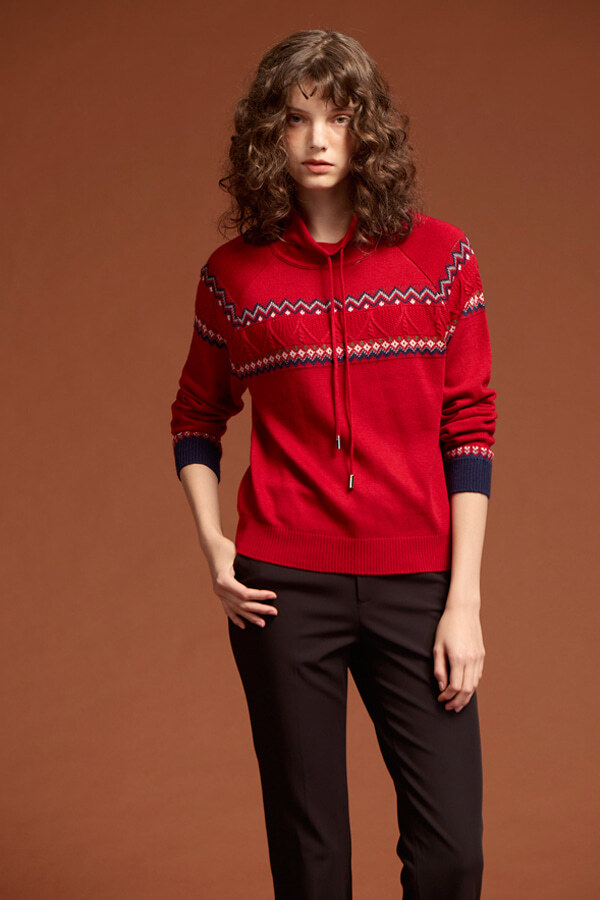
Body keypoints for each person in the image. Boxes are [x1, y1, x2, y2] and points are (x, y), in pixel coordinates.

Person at [170, 28, 497, 900]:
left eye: (340, 118)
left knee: (451, 857)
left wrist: (463, 601)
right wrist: (215, 547)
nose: (318, 139)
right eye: (296, 117)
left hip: (417, 583)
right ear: (267, 133)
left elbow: (469, 426)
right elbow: (196, 418)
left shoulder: (442, 260)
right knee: (312, 865)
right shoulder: (233, 278)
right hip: (283, 589)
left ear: (369, 130)